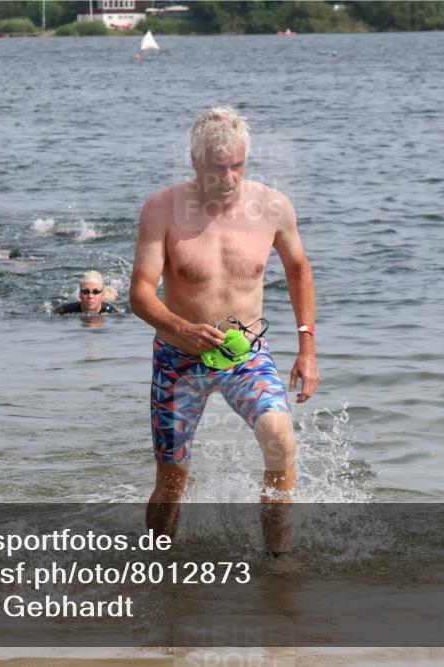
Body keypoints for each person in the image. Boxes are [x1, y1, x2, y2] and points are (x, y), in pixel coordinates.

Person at [129, 106, 319, 551]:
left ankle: (277, 558)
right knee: (172, 481)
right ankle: (159, 568)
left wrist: (307, 348)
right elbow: (139, 294)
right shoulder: (162, 209)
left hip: (245, 354)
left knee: (281, 441)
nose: (229, 178)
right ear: (195, 162)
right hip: (178, 360)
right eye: (218, 169)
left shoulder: (272, 207)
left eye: (238, 166)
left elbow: (299, 270)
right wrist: (182, 328)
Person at [54, 270, 119, 315]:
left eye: (96, 292)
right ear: (79, 294)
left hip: (105, 297)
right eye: (85, 291)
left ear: (102, 295)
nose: (90, 296)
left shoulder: (111, 311)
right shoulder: (65, 310)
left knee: (111, 296)